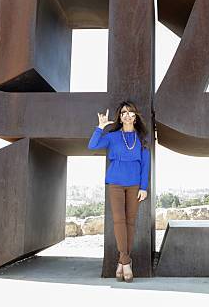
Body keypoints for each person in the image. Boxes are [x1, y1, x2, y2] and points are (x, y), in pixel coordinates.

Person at [87, 100, 150, 282]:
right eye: (124, 113)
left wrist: (143, 187)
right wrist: (100, 127)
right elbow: (92, 145)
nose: (127, 115)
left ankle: (122, 262)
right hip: (115, 183)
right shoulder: (112, 136)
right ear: (120, 118)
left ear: (135, 117)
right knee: (119, 221)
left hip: (134, 186)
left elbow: (145, 165)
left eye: (131, 112)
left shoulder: (142, 139)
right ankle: (126, 262)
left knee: (130, 222)